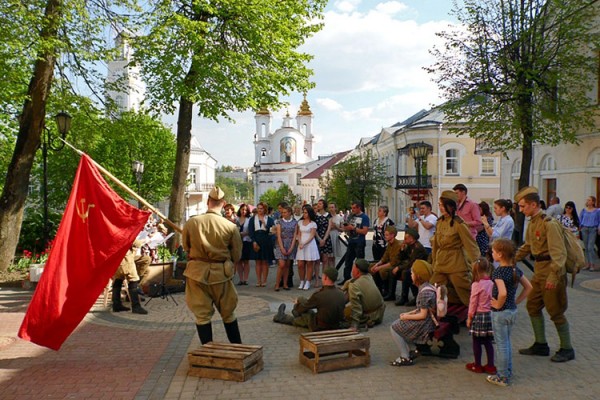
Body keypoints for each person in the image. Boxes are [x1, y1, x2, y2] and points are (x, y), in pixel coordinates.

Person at [514, 186, 575, 363]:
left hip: (551, 272)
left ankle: (567, 348)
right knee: (532, 306)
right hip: (539, 271)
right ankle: (540, 345)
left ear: (534, 204)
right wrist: (511, 259)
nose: (521, 209)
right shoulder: (533, 222)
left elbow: (559, 253)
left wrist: (554, 276)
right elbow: (527, 246)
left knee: (555, 311)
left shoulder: (550, 223)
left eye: (523, 206)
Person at [182, 186, 243, 344]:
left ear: (208, 202)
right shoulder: (230, 227)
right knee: (228, 314)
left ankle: (208, 352)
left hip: (196, 273)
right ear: (223, 204)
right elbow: (236, 255)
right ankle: (238, 350)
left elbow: (186, 247)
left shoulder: (192, 222)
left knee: (202, 316)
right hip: (220, 274)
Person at [487, 238, 532, 387]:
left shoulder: (499, 272)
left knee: (501, 345)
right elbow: (528, 287)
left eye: (493, 251)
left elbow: (503, 293)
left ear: (500, 254)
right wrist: (517, 301)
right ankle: (507, 371)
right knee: (506, 343)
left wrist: (498, 304)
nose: (492, 253)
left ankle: (502, 376)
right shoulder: (515, 270)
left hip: (500, 313)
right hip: (512, 311)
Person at [431, 191, 480, 306]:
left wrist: (477, 263)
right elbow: (436, 245)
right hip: (441, 263)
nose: (441, 208)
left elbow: (471, 245)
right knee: (434, 288)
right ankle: (442, 313)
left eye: (443, 205)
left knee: (465, 290)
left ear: (451, 206)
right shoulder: (439, 222)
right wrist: (434, 261)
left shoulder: (459, 224)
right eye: (439, 205)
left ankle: (478, 314)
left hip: (456, 263)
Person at [389, 260, 437, 367]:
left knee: (394, 327)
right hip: (427, 320)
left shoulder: (424, 292)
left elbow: (422, 315)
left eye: (412, 273)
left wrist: (407, 316)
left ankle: (405, 356)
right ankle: (412, 350)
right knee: (400, 322)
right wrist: (408, 314)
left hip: (425, 324)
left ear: (418, 276)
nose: (411, 275)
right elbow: (421, 308)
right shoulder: (427, 287)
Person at [272, 267, 346, 331]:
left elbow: (305, 307)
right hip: (336, 324)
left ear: (326, 277)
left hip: (320, 326)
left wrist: (296, 307)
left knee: (304, 315)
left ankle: (282, 317)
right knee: (302, 300)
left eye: (323, 276)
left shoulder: (320, 295)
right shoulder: (341, 293)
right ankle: (287, 315)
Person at [466, 258, 496, 375]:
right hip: (490, 315)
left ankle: (477, 364)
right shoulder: (492, 283)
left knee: (476, 341)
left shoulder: (476, 285)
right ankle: (490, 365)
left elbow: (473, 302)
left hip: (479, 315)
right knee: (488, 341)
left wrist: (469, 317)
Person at [343, 259, 385, 331]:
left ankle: (362, 322)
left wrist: (354, 324)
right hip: (380, 314)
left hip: (369, 316)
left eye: (353, 268)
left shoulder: (354, 285)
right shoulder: (369, 276)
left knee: (343, 313)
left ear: (357, 271)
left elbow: (356, 306)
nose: (352, 270)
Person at [392, 228, 429, 306]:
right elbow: (402, 258)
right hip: (413, 265)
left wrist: (399, 267)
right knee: (397, 270)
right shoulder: (409, 245)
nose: (404, 240)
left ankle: (414, 297)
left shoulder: (417, 248)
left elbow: (411, 262)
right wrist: (402, 250)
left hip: (421, 267)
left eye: (406, 238)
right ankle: (397, 295)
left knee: (407, 273)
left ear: (412, 239)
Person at [112, 240, 149, 315]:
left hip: (117, 256)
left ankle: (116, 305)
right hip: (126, 258)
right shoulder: (125, 229)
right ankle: (136, 306)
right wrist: (144, 241)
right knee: (133, 281)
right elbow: (135, 242)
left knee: (118, 280)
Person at [369, 226, 403, 298]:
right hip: (390, 263)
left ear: (392, 235)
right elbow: (384, 257)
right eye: (385, 235)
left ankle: (388, 291)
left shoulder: (398, 245)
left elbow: (394, 262)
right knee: (372, 266)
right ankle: (379, 290)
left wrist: (379, 267)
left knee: (382, 270)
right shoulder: (389, 244)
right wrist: (377, 265)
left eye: (387, 235)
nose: (385, 236)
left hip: (397, 265)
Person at [341, 201, 370, 284]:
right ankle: (346, 278)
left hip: (359, 242)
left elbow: (365, 231)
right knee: (348, 261)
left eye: (354, 208)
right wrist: (346, 227)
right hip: (351, 241)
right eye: (352, 208)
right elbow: (347, 228)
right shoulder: (351, 216)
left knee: (359, 262)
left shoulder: (364, 217)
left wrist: (353, 228)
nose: (352, 209)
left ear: (359, 208)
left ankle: (361, 280)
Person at [249, 202, 275, 287]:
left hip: (266, 240)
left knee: (265, 261)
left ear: (265, 209)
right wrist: (254, 241)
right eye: (258, 208)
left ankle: (264, 280)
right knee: (258, 261)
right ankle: (258, 280)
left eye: (261, 208)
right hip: (256, 239)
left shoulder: (270, 219)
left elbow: (272, 231)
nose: (260, 210)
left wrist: (265, 224)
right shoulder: (253, 219)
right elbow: (251, 231)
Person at [296, 204, 320, 290]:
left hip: (310, 244)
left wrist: (304, 243)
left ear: (309, 213)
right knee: (300, 264)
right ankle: (302, 281)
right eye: (304, 212)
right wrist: (300, 242)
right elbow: (298, 234)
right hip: (301, 244)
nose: (304, 214)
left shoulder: (313, 224)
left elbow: (312, 236)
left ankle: (308, 282)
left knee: (309, 263)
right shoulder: (300, 222)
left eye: (306, 212)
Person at [274, 205, 297, 291]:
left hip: (290, 243)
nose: (283, 214)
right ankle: (277, 284)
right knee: (281, 264)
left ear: (290, 213)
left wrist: (291, 247)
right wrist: (282, 247)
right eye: (282, 212)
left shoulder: (295, 222)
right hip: (281, 243)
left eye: (285, 212)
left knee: (287, 265)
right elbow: (279, 236)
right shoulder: (280, 222)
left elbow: (295, 235)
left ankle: (285, 284)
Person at [315, 199, 334, 286]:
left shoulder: (328, 216)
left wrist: (324, 239)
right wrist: (319, 239)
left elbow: (329, 228)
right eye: (318, 204)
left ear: (323, 205)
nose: (318, 205)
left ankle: (324, 278)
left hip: (326, 239)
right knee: (317, 260)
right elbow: (314, 228)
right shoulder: (315, 216)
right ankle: (317, 279)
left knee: (325, 260)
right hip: (317, 238)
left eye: (320, 204)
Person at [579, 196, 600, 271]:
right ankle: (587, 264)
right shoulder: (584, 210)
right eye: (587, 200)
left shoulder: (597, 211)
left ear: (593, 202)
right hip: (584, 228)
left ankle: (592, 264)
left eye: (589, 200)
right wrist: (580, 227)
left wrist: (598, 227)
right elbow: (580, 219)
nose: (588, 201)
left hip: (592, 229)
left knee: (590, 247)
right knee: (586, 247)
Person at [235, 204, 252, 285]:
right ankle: (241, 279)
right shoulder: (236, 219)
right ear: (240, 210)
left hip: (246, 241)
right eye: (242, 209)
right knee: (239, 261)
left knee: (246, 261)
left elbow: (251, 231)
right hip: (238, 242)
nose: (243, 211)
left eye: (245, 210)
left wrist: (245, 233)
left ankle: (246, 279)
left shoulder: (249, 219)